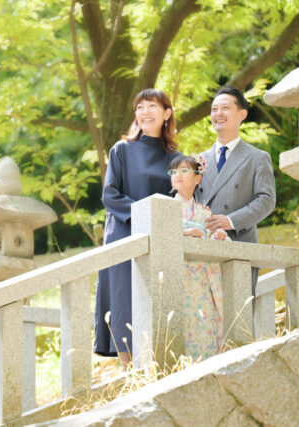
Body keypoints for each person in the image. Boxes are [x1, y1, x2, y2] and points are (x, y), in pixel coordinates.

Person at [95, 88, 181, 368]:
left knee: (157, 294)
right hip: (123, 231)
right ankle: (127, 369)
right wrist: (142, 217)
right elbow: (110, 195)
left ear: (167, 113)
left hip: (160, 236)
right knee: (123, 299)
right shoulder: (121, 150)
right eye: (140, 107)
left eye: (152, 106)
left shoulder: (176, 159)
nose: (145, 112)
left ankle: (156, 363)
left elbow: (177, 198)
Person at [195, 86, 276, 328]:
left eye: (225, 107)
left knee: (236, 321)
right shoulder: (197, 160)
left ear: (242, 114)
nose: (218, 113)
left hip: (240, 244)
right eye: (214, 109)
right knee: (203, 320)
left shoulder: (257, 157)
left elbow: (266, 200)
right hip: (202, 249)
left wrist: (230, 221)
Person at [168, 155, 228, 360]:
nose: (178, 175)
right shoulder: (166, 209)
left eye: (184, 170)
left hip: (203, 278)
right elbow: (160, 237)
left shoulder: (204, 211)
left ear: (197, 178)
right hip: (179, 275)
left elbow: (213, 238)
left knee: (205, 321)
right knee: (184, 321)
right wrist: (184, 233)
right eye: (174, 172)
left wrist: (219, 236)